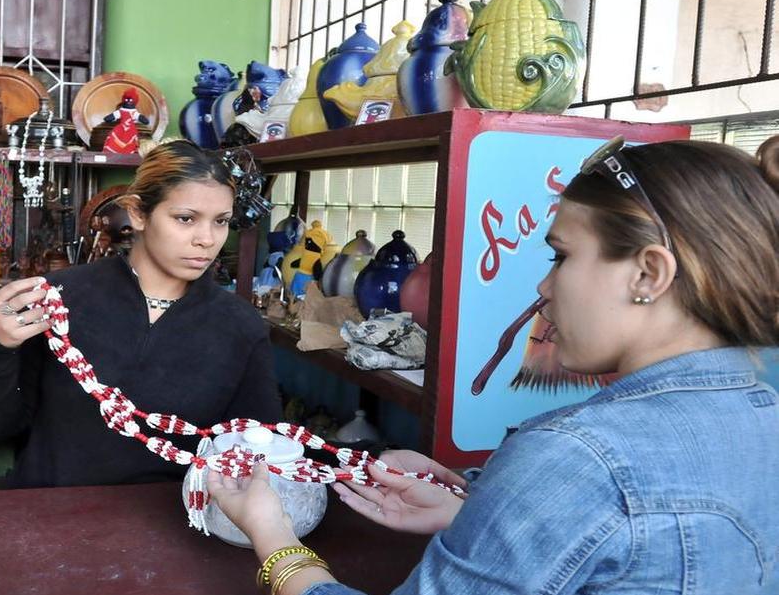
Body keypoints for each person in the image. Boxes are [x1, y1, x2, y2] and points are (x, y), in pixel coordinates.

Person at [209, 137, 779, 595]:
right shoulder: (765, 417)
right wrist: (473, 505)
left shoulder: (579, 458)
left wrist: (274, 540)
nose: (544, 286)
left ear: (649, 274)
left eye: (561, 256)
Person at [0, 140, 281, 488]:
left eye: (221, 221)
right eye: (185, 219)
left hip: (172, 515)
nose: (207, 239)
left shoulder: (238, 325)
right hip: (48, 510)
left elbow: (257, 451)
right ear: (138, 213)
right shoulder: (60, 300)